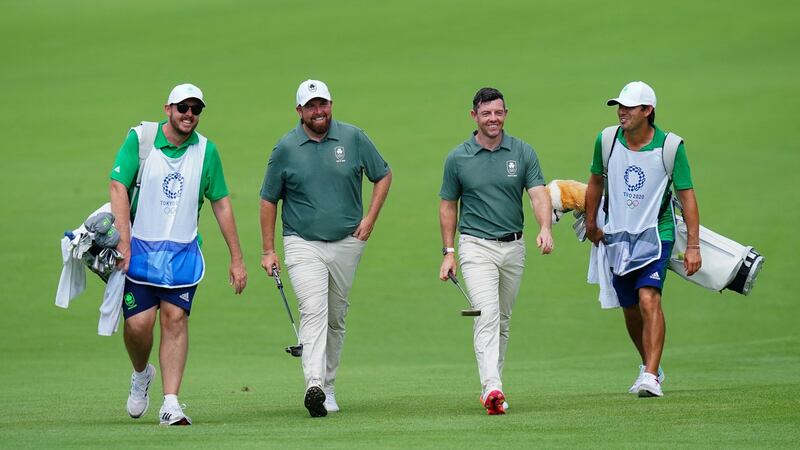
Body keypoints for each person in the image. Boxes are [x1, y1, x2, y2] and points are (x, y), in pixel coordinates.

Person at [109, 83, 248, 425]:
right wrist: (122, 241)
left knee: (175, 320)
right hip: (140, 250)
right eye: (183, 107)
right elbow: (117, 187)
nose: (189, 114)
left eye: (196, 109)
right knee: (138, 326)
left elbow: (221, 203)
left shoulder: (206, 151)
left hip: (182, 254)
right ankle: (141, 373)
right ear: (167, 108)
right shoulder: (141, 140)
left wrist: (236, 257)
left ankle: (171, 403)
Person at [260, 79, 392, 417]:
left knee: (336, 316)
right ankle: (314, 384)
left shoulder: (353, 138)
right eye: (311, 106)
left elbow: (383, 175)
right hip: (302, 242)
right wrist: (268, 249)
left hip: (348, 241)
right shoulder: (286, 148)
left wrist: (370, 219)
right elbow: (268, 200)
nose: (318, 111)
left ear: (331, 104)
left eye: (323, 104)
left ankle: (329, 386)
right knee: (314, 310)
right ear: (299, 111)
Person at [438, 87, 553, 415]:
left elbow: (538, 194)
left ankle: (494, 386)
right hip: (475, 246)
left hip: (513, 246)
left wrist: (545, 227)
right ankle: (491, 386)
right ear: (474, 116)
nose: (493, 119)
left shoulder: (522, 152)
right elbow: (448, 206)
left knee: (502, 319)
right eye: (486, 113)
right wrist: (449, 251)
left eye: (498, 112)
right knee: (486, 314)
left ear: (506, 114)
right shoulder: (458, 157)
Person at [584, 81, 701, 397]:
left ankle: (650, 375)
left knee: (649, 297)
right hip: (618, 237)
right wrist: (592, 222)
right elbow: (595, 181)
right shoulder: (607, 140)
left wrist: (692, 245)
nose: (622, 112)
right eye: (619, 106)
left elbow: (687, 196)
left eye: (629, 107)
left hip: (656, 233)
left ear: (647, 111)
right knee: (630, 308)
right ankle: (651, 364)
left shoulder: (671, 147)